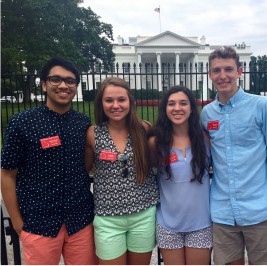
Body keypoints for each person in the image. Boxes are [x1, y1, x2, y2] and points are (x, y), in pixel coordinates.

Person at [1, 56, 98, 265]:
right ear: (44, 84)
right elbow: (7, 174)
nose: (63, 85)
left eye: (70, 81)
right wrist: (18, 223)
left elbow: (86, 165)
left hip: (79, 221)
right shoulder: (22, 122)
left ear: (75, 86)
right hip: (39, 223)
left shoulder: (82, 123)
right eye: (56, 79)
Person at [201, 46, 267, 265]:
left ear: (239, 71)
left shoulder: (262, 106)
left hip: (259, 210)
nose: (223, 76)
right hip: (222, 214)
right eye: (217, 70)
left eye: (228, 69)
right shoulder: (207, 113)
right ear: (210, 75)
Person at [85, 77, 159, 265]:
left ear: (130, 102)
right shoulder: (93, 134)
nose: (115, 105)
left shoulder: (144, 129)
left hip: (143, 213)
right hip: (108, 218)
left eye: (121, 100)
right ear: (101, 103)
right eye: (109, 100)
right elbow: (86, 168)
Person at [148, 85, 212, 265]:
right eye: (171, 104)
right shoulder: (156, 143)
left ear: (191, 108)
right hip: (168, 224)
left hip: (201, 224)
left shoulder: (205, 139)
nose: (177, 108)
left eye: (183, 103)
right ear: (165, 109)